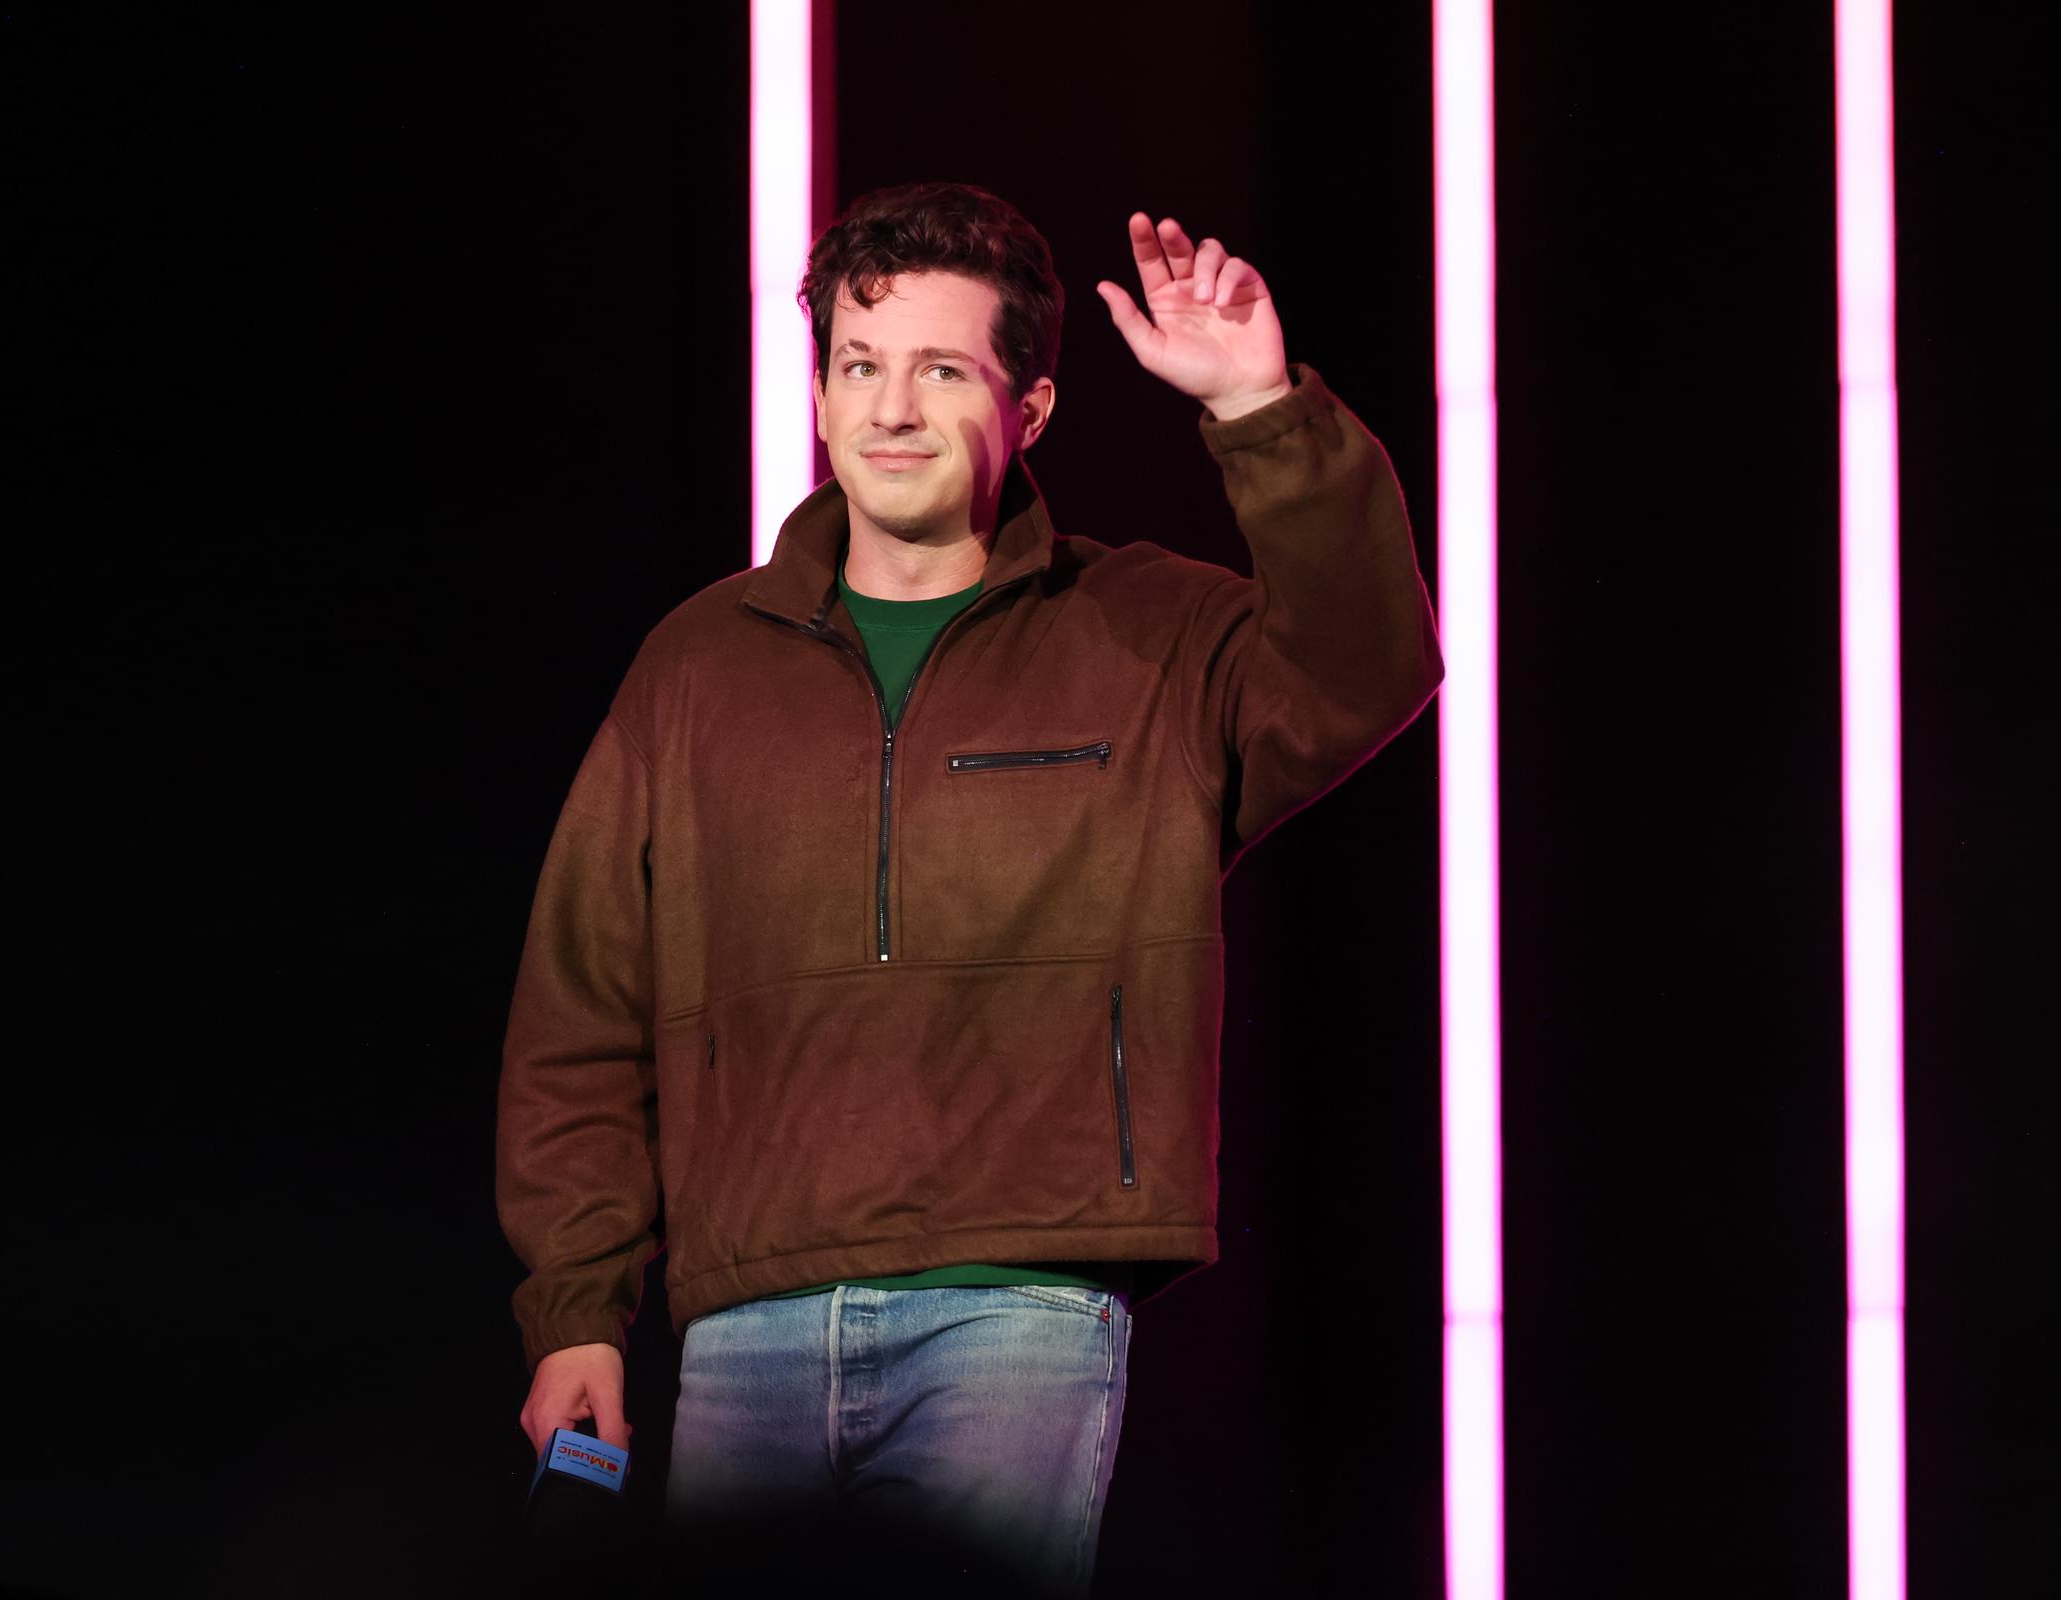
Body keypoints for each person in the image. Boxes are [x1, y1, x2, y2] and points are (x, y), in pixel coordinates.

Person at [496, 181, 1443, 1596]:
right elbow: (582, 1009)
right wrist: (576, 1310)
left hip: (1022, 1304)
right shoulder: (697, 667)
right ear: (817, 395)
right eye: (859, 366)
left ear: (1033, 406)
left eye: (941, 369)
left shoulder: (1150, 630)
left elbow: (1368, 668)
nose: (890, 408)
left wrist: (1261, 413)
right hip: (746, 1314)